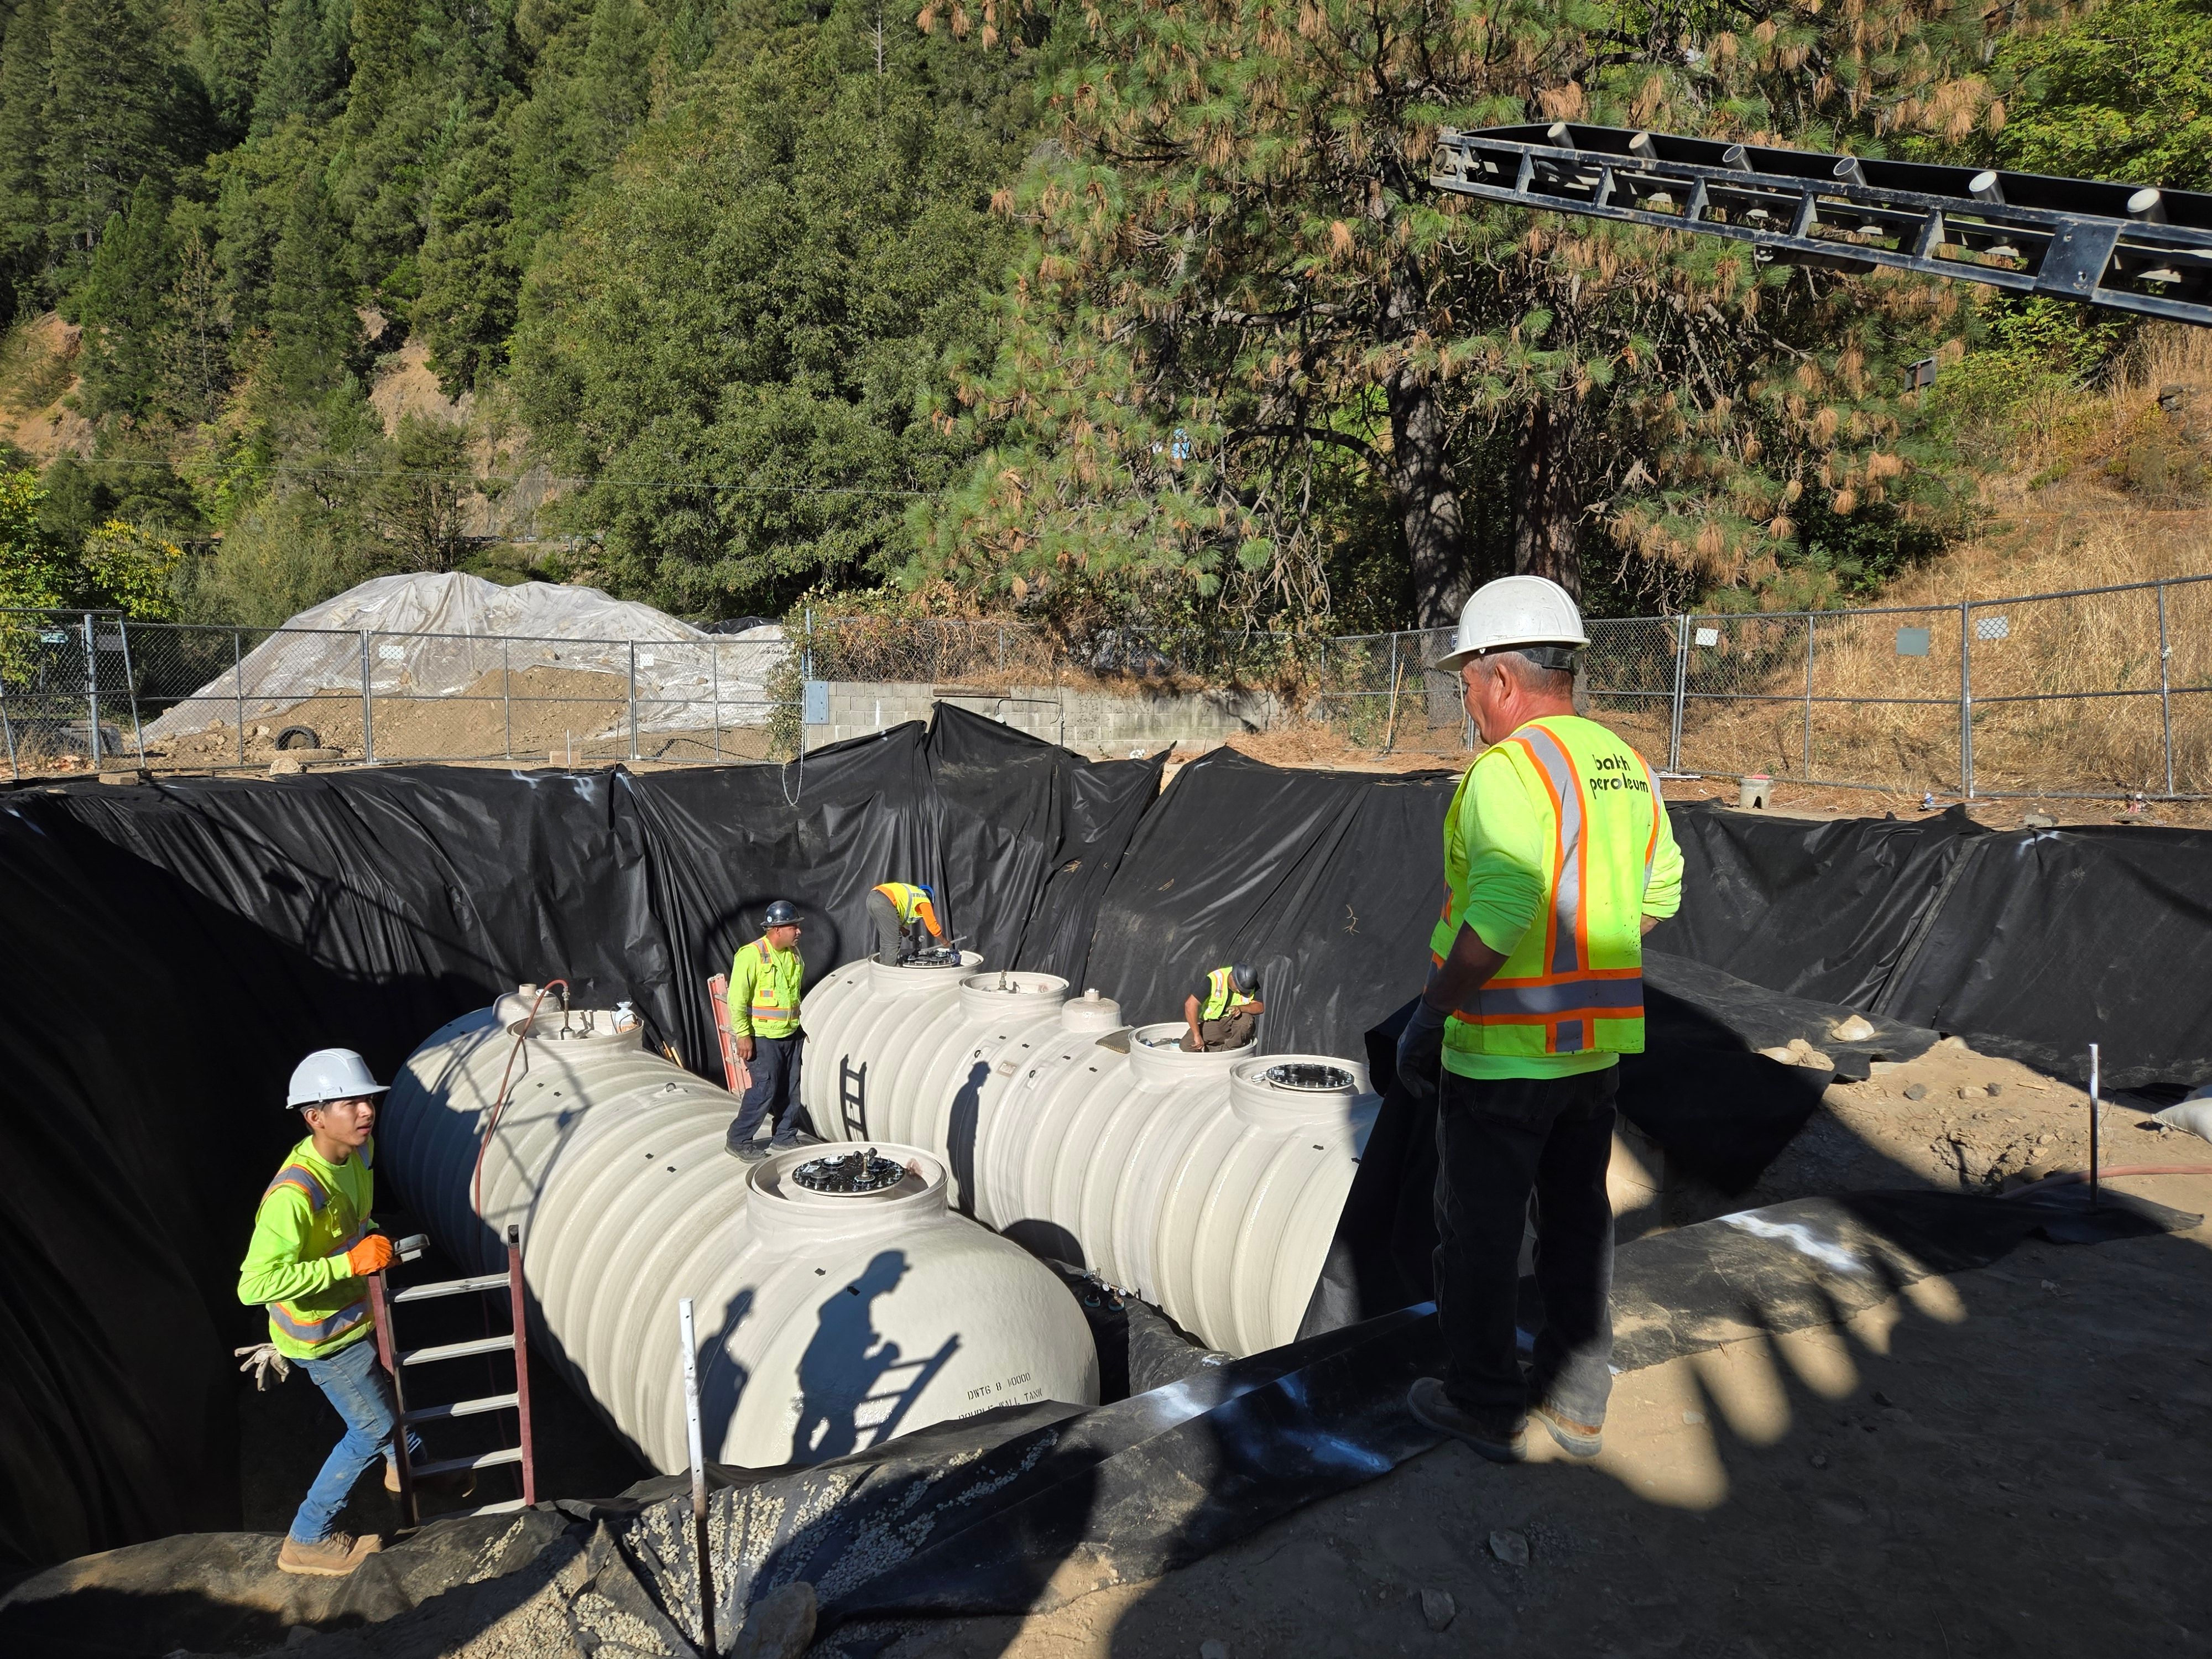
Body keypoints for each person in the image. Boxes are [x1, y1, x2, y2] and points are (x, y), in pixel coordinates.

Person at [1395, 575, 1683, 1466]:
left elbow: (1503, 910)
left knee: (1478, 1235)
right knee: (1577, 1223)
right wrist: (1581, 970)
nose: (1466, 702)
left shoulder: (1507, 772)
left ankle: (1484, 1402)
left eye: (1467, 683)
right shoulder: (1624, 765)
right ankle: (1578, 1401)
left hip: (1503, 1057)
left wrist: (1431, 1015)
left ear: (1503, 679)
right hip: (1592, 1055)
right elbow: (1658, 895)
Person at [237, 1049, 466, 1576]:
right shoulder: (293, 1195)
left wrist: (367, 1242)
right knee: (369, 1428)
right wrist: (348, 1263)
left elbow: (350, 1224)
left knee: (383, 1398)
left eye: (368, 1099)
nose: (366, 1110)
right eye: (350, 1102)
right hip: (322, 1337)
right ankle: (307, 1538)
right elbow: (254, 1284)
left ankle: (412, 1469)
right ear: (314, 1117)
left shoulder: (356, 1156)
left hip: (353, 1316)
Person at [725, 899, 808, 1161]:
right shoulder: (751, 954)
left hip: (790, 1033)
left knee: (790, 1089)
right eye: (793, 927)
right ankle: (738, 1140)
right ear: (776, 930)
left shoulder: (793, 953)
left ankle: (785, 1136)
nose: (799, 932)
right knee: (765, 1089)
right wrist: (743, 1035)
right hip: (762, 1037)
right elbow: (737, 999)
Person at [1181, 962, 1264, 1051]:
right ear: (1232, 977)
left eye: (1244, 990)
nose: (1241, 992)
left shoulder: (1250, 983)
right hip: (1215, 1024)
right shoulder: (1215, 979)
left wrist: (1241, 1008)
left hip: (1236, 1027)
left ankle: (1230, 1050)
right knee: (1187, 1044)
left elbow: (1260, 1007)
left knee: (1246, 1018)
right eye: (1239, 988)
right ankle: (1220, 1050)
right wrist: (1197, 1035)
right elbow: (1190, 1004)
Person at [868, 881, 943, 967]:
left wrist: (902, 929)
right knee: (893, 941)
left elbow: (892, 919)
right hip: (884, 900)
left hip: (872, 898)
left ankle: (883, 967)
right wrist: (945, 942)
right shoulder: (924, 900)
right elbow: (933, 927)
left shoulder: (912, 894)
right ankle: (890, 972)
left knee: (886, 938)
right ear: (931, 898)